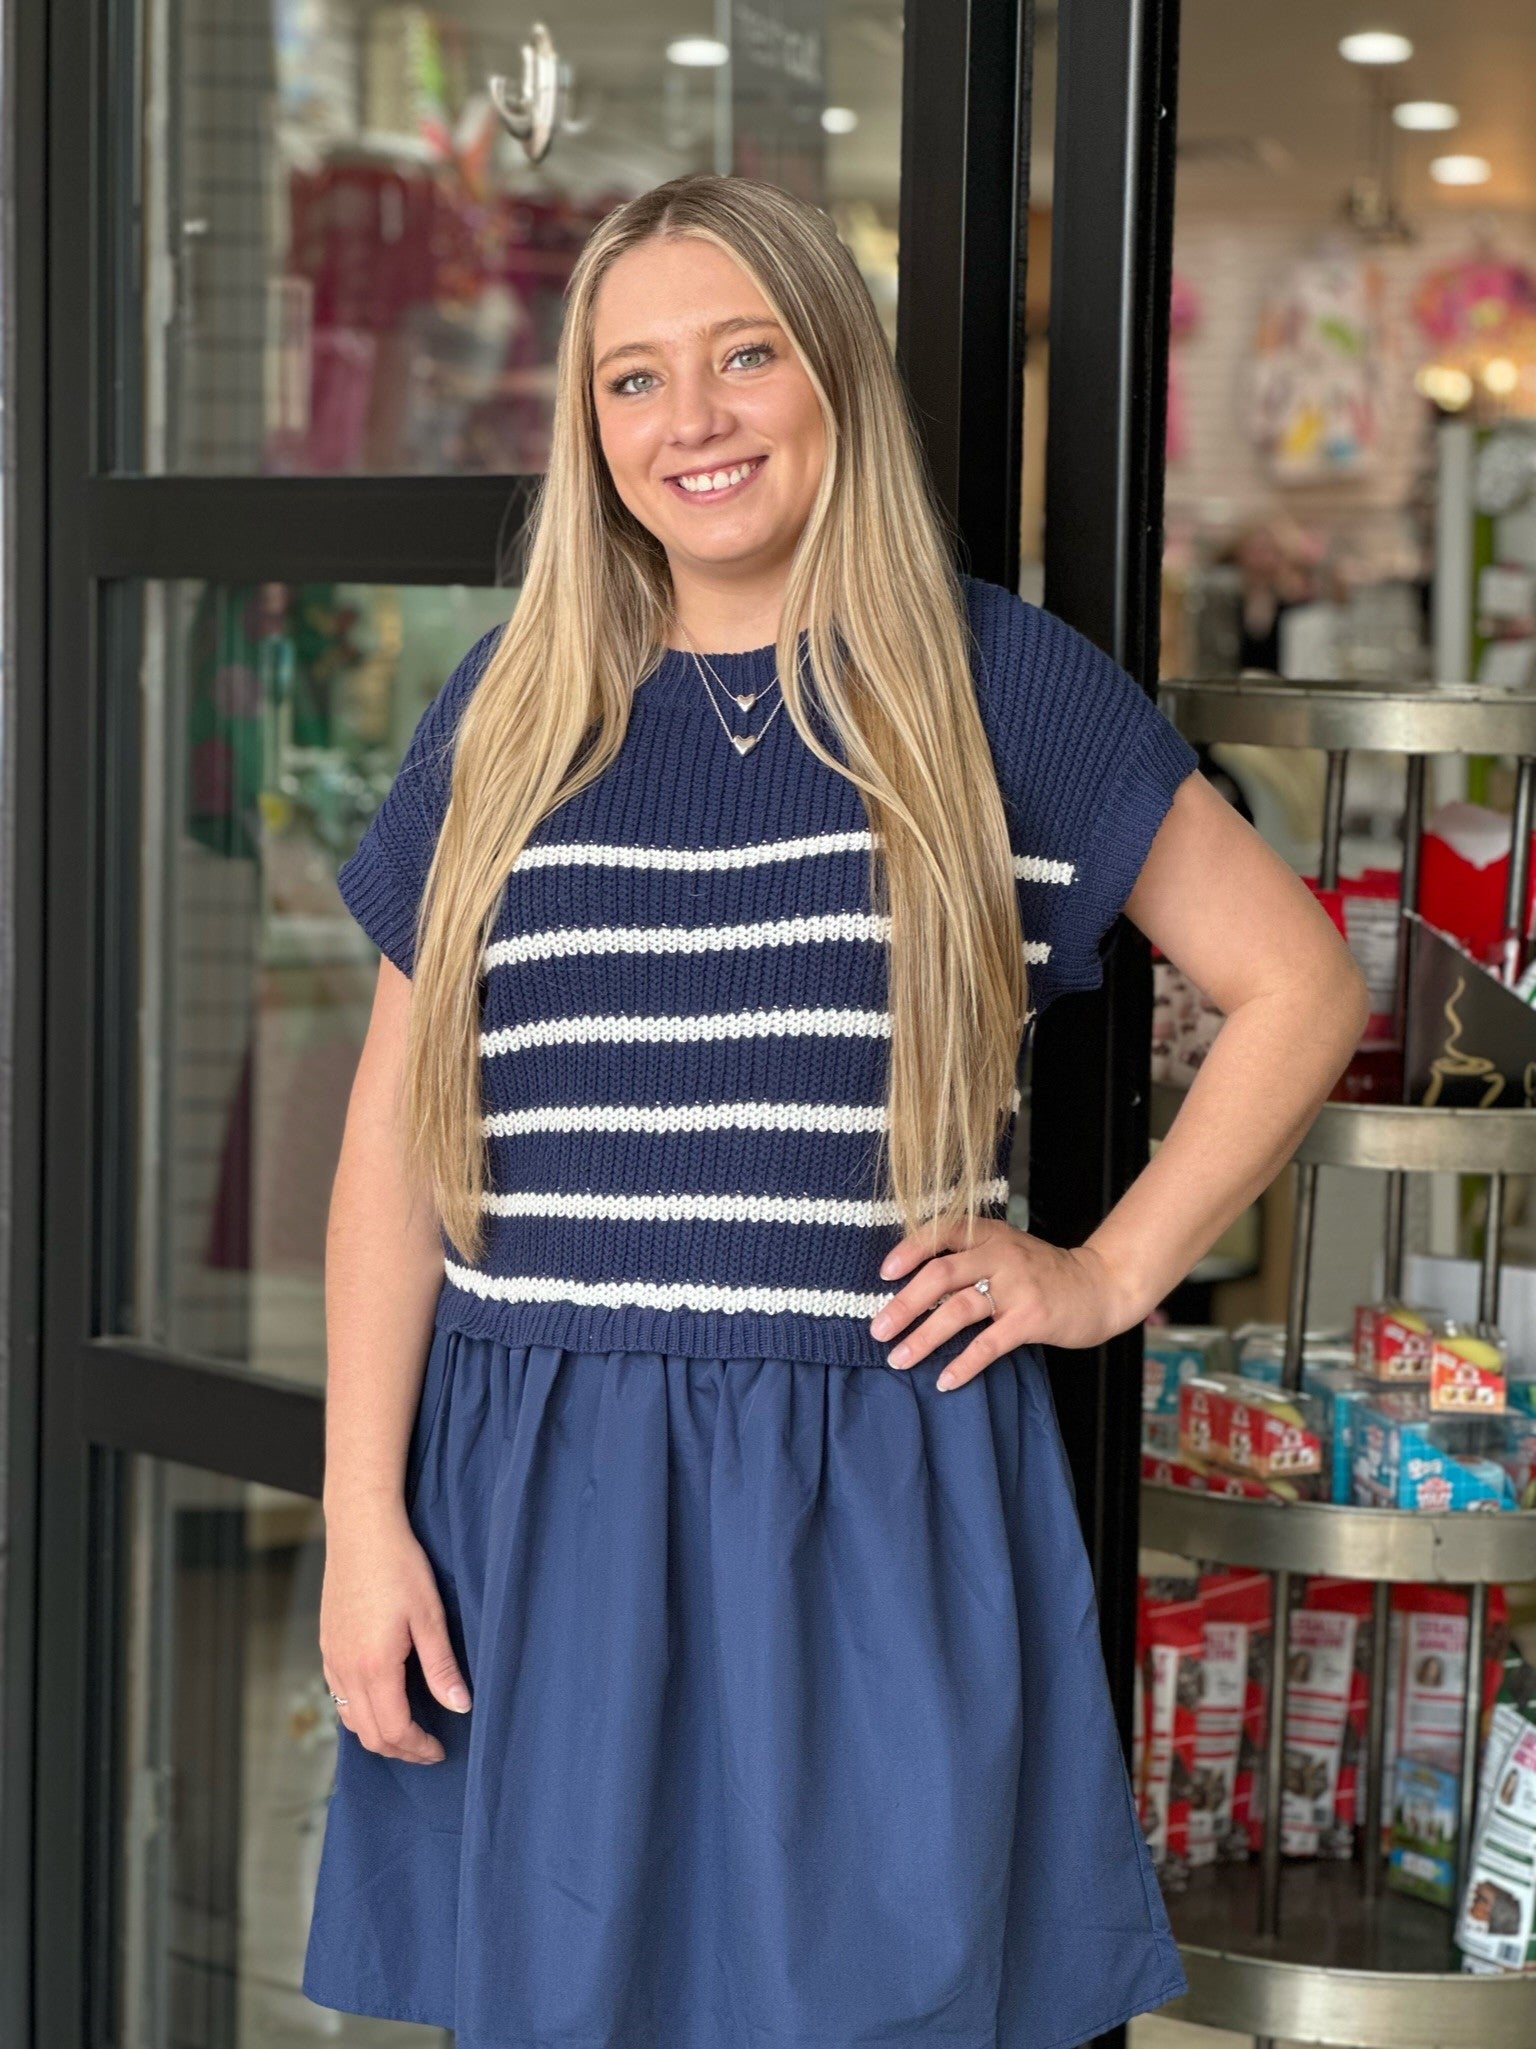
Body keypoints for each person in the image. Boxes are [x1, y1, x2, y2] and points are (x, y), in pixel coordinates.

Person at [301, 172, 1370, 2049]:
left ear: (837, 378)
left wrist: (1105, 1274)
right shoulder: (507, 709)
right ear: (589, 427)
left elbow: (1299, 978)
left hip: (862, 1508)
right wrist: (362, 1516)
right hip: (537, 1503)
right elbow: (395, 1144)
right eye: (632, 381)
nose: (690, 420)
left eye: (742, 356)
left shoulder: (993, 689)